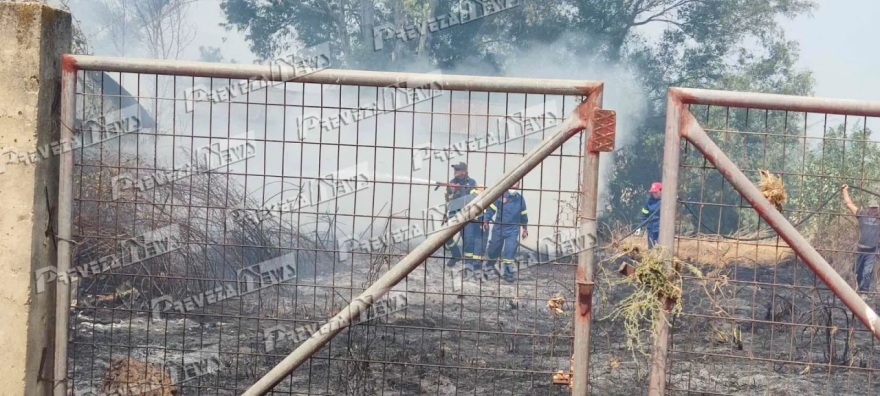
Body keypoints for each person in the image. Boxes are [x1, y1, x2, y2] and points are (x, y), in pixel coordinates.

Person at [484, 180, 529, 282]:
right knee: (494, 250)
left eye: (517, 182)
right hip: (499, 228)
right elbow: (491, 210)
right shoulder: (500, 196)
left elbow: (524, 215)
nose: (515, 184)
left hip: (512, 230)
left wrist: (525, 228)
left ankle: (508, 274)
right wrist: (486, 219)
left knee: (510, 252)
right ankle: (488, 268)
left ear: (519, 185)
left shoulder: (520, 199)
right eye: (514, 181)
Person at [842, 184, 880, 298]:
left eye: (876, 208)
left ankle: (864, 292)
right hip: (860, 248)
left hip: (872, 250)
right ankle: (859, 287)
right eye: (872, 208)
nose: (873, 210)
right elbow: (849, 204)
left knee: (867, 272)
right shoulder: (862, 214)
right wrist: (845, 190)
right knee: (858, 271)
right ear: (868, 208)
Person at [444, 162, 478, 267]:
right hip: (454, 212)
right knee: (446, 236)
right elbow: (449, 199)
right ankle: (456, 254)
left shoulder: (471, 182)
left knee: (468, 239)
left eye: (458, 169)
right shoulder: (452, 182)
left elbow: (474, 197)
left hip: (467, 213)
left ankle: (468, 263)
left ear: (464, 171)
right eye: (455, 169)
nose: (455, 171)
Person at [640, 182, 662, 249]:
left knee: (660, 247)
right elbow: (644, 213)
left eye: (656, 192)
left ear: (661, 190)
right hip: (651, 228)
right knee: (651, 247)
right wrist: (641, 225)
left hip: (661, 228)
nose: (654, 194)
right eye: (652, 192)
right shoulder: (649, 201)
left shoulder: (665, 201)